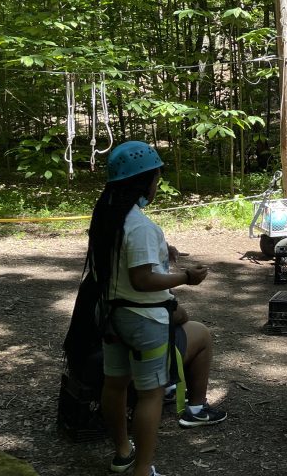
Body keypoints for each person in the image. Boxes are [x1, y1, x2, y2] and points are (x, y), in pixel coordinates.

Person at [90, 141, 226, 476]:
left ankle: (123, 452)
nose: (156, 185)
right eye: (156, 178)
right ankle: (144, 470)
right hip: (144, 321)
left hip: (111, 316)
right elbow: (142, 279)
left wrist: (164, 251)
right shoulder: (142, 227)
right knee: (150, 396)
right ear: (144, 181)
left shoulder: (108, 218)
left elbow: (125, 264)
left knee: (115, 383)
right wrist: (186, 277)